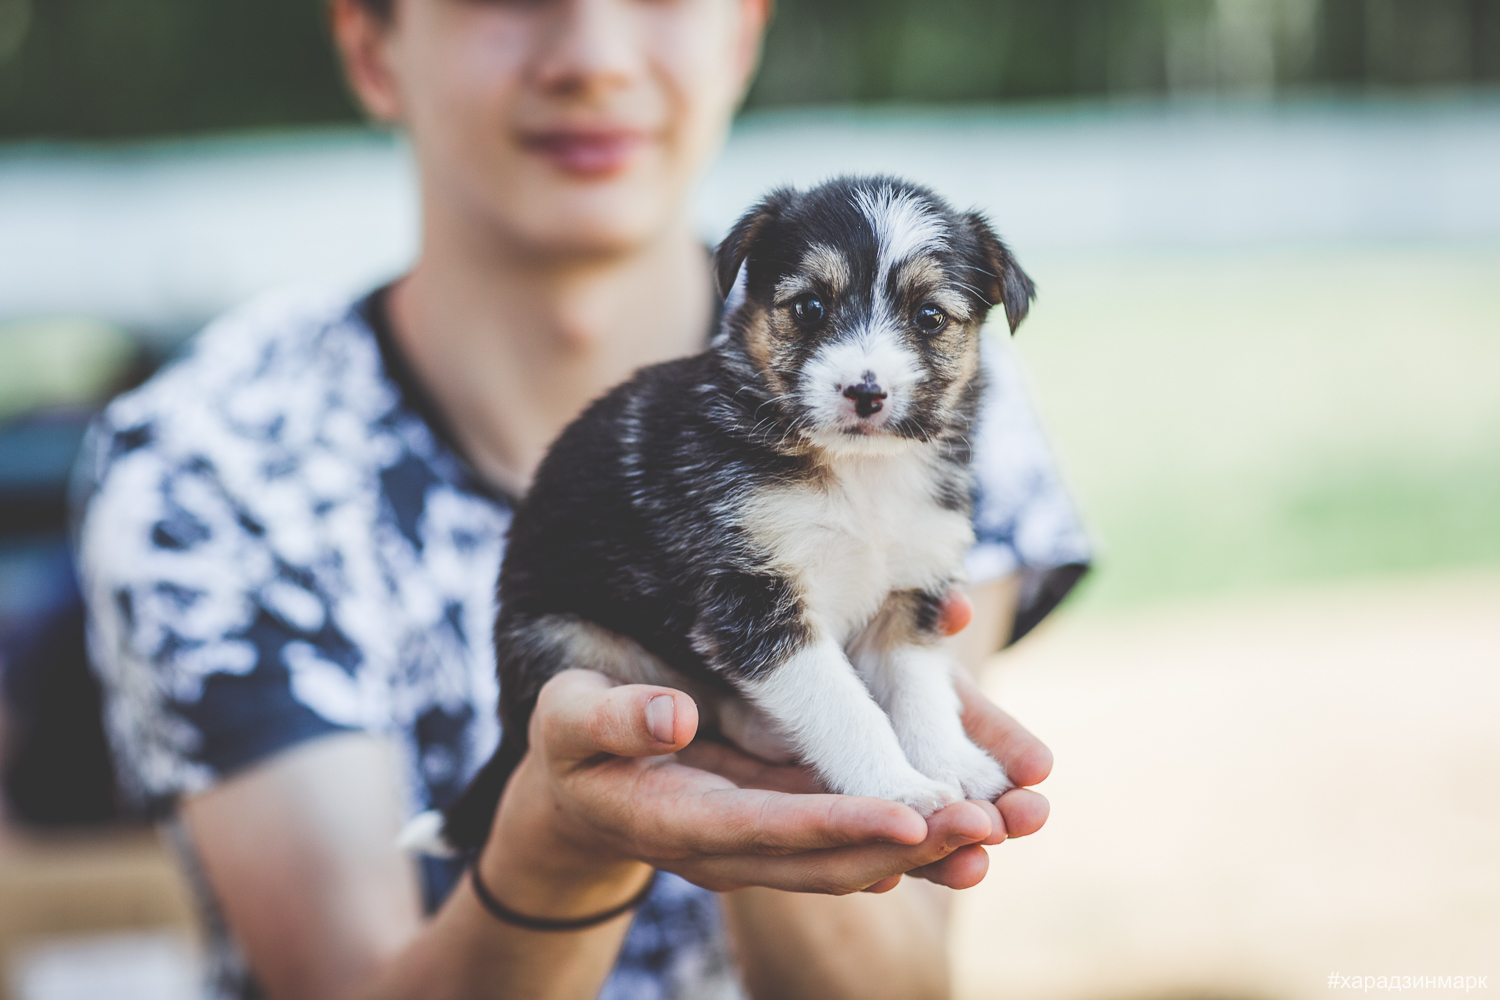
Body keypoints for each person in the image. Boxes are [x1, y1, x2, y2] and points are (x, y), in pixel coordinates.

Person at [72, 1, 1091, 998]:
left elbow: (899, 977)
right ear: (373, 46)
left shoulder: (957, 416)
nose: (593, 55)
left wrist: (844, 781)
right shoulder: (208, 464)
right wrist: (556, 840)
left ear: (742, 30)